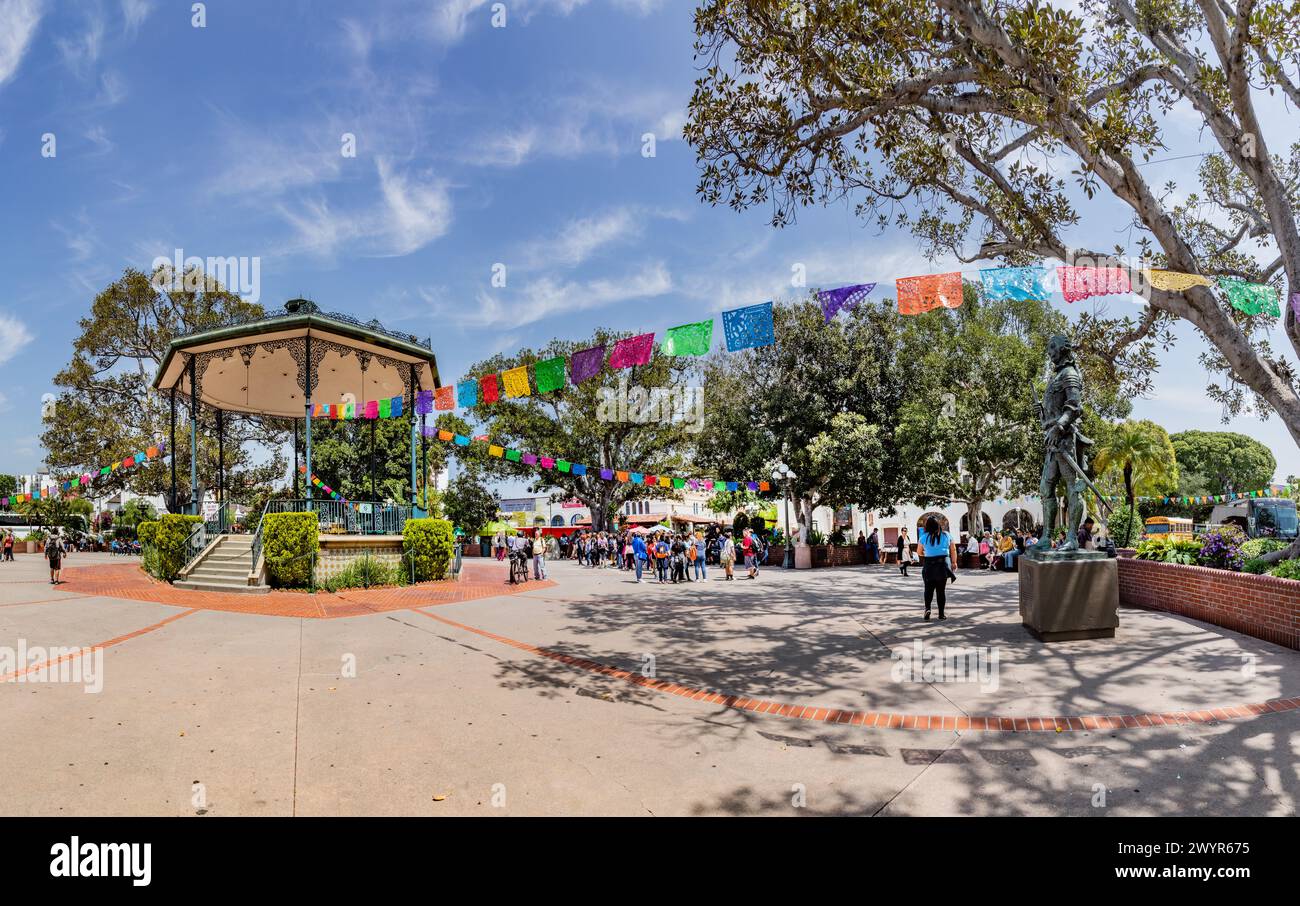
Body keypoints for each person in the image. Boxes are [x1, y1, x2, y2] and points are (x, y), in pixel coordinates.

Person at [917, 515, 957, 621]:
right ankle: (941, 614)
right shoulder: (947, 535)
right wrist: (954, 562)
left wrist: (927, 552)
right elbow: (953, 549)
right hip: (942, 565)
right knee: (941, 590)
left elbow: (919, 552)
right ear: (939, 524)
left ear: (927, 527)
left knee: (928, 589)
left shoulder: (923, 537)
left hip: (929, 565)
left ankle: (927, 609)